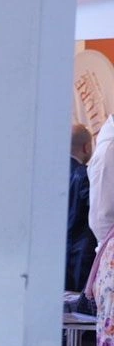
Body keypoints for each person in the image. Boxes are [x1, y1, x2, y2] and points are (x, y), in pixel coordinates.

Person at [69, 124, 98, 291]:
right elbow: (98, 210)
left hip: (52, 258)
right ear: (87, 147)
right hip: (80, 259)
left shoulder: (49, 175)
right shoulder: (85, 176)